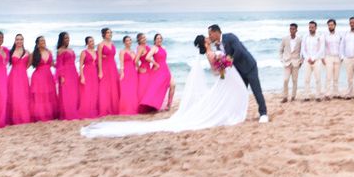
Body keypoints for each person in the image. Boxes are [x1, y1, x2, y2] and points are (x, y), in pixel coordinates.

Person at [81, 34, 248, 137]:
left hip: (177, 71)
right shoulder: (211, 53)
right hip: (221, 74)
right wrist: (224, 63)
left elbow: (215, 67)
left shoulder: (212, 50)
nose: (208, 38)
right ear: (204, 43)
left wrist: (223, 64)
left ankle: (166, 104)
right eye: (206, 38)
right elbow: (214, 67)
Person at [208, 24, 268, 123]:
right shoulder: (218, 46)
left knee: (256, 91)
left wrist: (230, 59)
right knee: (239, 93)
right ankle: (238, 115)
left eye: (210, 34)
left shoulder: (230, 37)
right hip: (239, 71)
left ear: (216, 32)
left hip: (249, 67)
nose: (210, 36)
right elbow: (223, 61)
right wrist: (222, 73)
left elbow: (239, 50)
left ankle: (263, 114)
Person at [139, 33, 173, 112]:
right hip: (159, 70)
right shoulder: (154, 48)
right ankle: (156, 104)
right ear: (155, 40)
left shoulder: (163, 47)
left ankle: (169, 105)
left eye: (160, 38)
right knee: (157, 88)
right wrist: (155, 64)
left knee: (173, 85)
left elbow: (164, 59)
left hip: (165, 69)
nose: (159, 40)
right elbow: (147, 57)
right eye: (157, 38)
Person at [29, 36, 58, 122]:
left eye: (44, 40)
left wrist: (64, 67)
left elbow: (53, 64)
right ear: (37, 44)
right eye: (41, 41)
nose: (43, 42)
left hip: (48, 76)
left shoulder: (49, 52)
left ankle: (49, 114)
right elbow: (28, 65)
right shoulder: (34, 53)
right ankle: (40, 115)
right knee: (40, 96)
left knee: (48, 96)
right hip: (38, 77)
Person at [7, 34, 31, 125]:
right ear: (15, 40)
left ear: (23, 41)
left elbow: (29, 64)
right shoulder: (11, 52)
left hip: (23, 76)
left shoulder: (27, 52)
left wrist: (23, 70)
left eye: (21, 39)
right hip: (13, 77)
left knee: (23, 96)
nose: (19, 41)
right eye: (17, 39)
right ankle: (15, 118)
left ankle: (23, 117)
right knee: (15, 97)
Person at [55, 32, 79, 120]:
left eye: (68, 38)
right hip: (65, 74)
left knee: (74, 93)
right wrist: (61, 76)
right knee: (66, 94)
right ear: (61, 39)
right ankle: (67, 113)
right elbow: (59, 65)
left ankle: (73, 110)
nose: (67, 39)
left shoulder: (71, 50)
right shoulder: (60, 51)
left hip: (73, 72)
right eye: (65, 38)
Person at [97, 27, 120, 116]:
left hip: (113, 66)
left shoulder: (112, 44)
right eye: (108, 33)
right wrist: (100, 71)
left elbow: (113, 56)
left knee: (113, 86)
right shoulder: (101, 45)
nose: (110, 34)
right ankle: (105, 108)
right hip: (105, 67)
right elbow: (99, 58)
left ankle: (114, 107)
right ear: (103, 34)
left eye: (111, 32)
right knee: (105, 87)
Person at [300, 21, 325, 102]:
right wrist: (308, 58)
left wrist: (314, 58)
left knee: (318, 79)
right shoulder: (305, 37)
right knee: (306, 79)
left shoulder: (320, 36)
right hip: (307, 61)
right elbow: (303, 49)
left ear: (316, 28)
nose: (311, 29)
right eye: (310, 27)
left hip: (317, 60)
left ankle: (318, 96)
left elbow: (321, 49)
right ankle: (306, 96)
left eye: (312, 27)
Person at [279, 23, 302, 102]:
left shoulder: (299, 39)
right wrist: (281, 59)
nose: (291, 30)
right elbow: (280, 50)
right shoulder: (285, 39)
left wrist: (301, 61)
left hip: (296, 62)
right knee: (286, 80)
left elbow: (302, 51)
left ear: (296, 30)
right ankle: (285, 97)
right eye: (290, 29)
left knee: (295, 80)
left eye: (293, 29)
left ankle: (293, 97)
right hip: (287, 62)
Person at [78, 36, 99, 119]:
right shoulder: (84, 52)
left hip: (94, 73)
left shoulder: (96, 52)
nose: (92, 43)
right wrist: (82, 76)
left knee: (94, 92)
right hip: (86, 72)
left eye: (93, 41)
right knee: (86, 92)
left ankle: (93, 110)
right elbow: (80, 65)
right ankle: (85, 111)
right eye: (90, 41)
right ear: (87, 43)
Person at [118, 35, 139, 115]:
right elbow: (121, 63)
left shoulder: (133, 52)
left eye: (130, 40)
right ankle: (126, 109)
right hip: (126, 72)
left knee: (133, 90)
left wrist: (139, 69)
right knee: (126, 90)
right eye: (127, 40)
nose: (129, 42)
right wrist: (122, 73)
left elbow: (136, 63)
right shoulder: (122, 52)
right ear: (124, 42)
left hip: (133, 72)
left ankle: (134, 108)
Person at [324, 19, 343, 99]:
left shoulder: (339, 35)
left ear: (335, 25)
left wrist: (342, 56)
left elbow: (341, 46)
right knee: (329, 77)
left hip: (337, 57)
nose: (330, 26)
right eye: (329, 25)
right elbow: (322, 47)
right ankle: (328, 94)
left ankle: (336, 93)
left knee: (336, 77)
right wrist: (323, 57)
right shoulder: (325, 35)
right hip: (329, 57)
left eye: (332, 25)